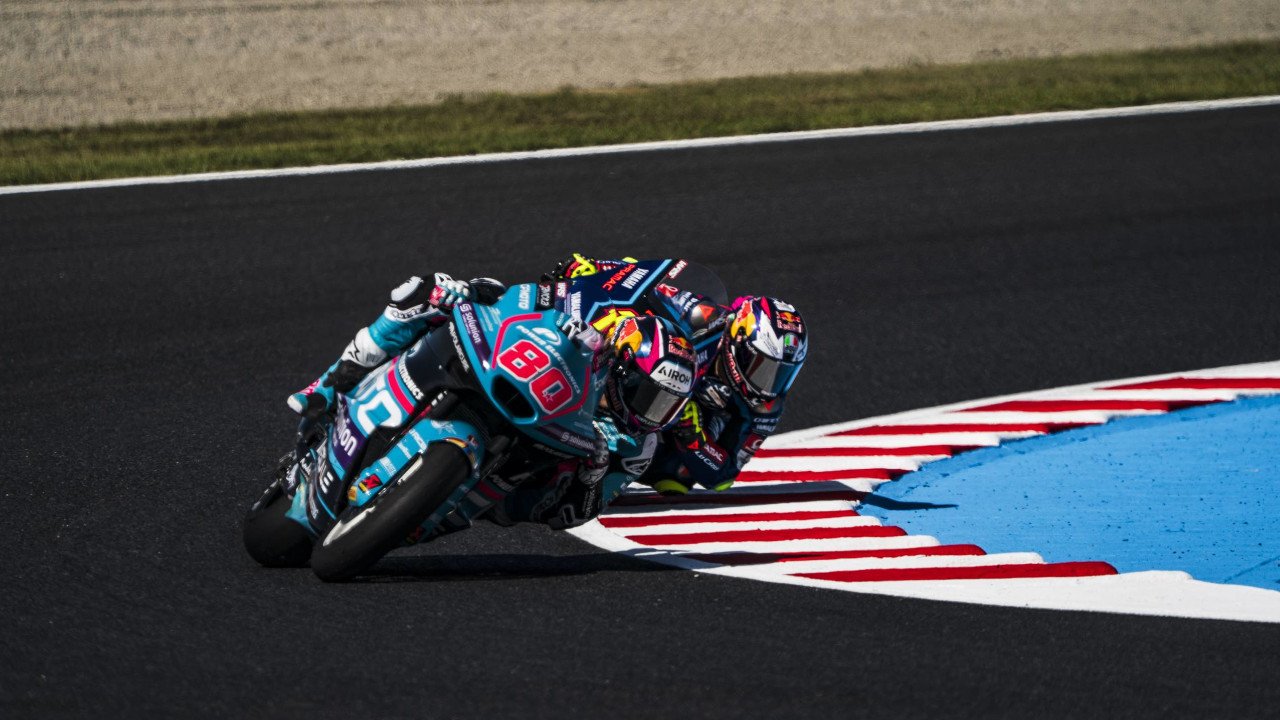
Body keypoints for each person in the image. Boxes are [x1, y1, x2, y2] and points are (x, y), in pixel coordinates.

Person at [285, 271, 698, 537]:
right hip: (516, 381)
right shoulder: (595, 330)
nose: (650, 413)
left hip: (518, 474)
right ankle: (329, 384)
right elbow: (527, 296)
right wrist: (474, 292)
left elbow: (572, 516)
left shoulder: (638, 446)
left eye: (666, 406)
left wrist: (591, 477)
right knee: (424, 292)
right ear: (623, 367)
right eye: (648, 395)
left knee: (535, 492)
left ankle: (429, 507)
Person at [543, 254, 809, 496]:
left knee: (677, 475)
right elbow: (640, 279)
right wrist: (596, 270)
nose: (769, 383)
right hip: (645, 389)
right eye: (764, 367)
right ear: (739, 341)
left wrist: (695, 439)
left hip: (677, 430)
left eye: (784, 372)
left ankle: (595, 481)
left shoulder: (767, 405)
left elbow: (723, 477)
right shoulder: (703, 316)